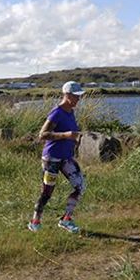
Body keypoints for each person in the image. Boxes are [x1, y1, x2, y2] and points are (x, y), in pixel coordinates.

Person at [27, 81, 86, 233]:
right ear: (67, 95)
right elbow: (43, 135)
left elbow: (71, 134)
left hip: (65, 158)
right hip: (51, 159)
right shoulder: (57, 112)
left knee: (80, 186)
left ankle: (66, 219)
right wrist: (66, 135)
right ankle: (35, 222)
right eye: (76, 96)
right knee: (47, 192)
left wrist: (73, 145)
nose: (79, 99)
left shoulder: (71, 112)